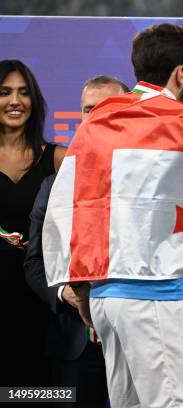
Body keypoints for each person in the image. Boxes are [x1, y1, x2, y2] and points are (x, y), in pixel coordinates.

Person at [42, 24, 183, 408]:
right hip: (155, 301)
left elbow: (69, 211)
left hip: (104, 301)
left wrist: (82, 290)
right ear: (180, 73)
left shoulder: (95, 128)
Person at [24, 75, 129, 407]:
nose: (96, 117)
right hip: (72, 349)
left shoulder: (156, 181)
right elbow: (35, 261)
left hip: (138, 341)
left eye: (107, 109)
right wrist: (63, 292)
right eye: (88, 110)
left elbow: (181, 255)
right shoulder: (55, 185)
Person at [0, 59, 67, 386]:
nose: (15, 101)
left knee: (40, 394)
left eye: (23, 93)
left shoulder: (59, 158)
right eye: (4, 92)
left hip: (42, 306)